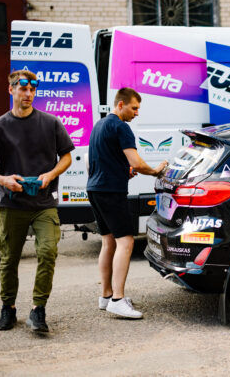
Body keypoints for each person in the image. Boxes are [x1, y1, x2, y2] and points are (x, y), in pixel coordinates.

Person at [0, 69, 74, 333]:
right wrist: (3, 180)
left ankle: (38, 309)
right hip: (12, 204)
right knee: (9, 259)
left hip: (44, 203)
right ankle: (8, 307)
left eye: (32, 90)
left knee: (48, 252)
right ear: (11, 90)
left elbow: (66, 157)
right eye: (23, 89)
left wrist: (51, 174)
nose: (28, 94)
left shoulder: (51, 123)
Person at [87, 87, 167, 319]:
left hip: (95, 189)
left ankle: (106, 296)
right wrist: (155, 171)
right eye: (134, 108)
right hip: (111, 192)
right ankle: (118, 300)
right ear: (120, 105)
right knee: (126, 242)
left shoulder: (99, 125)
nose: (137, 113)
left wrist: (123, 171)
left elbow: (98, 162)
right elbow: (137, 162)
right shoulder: (122, 127)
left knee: (108, 242)